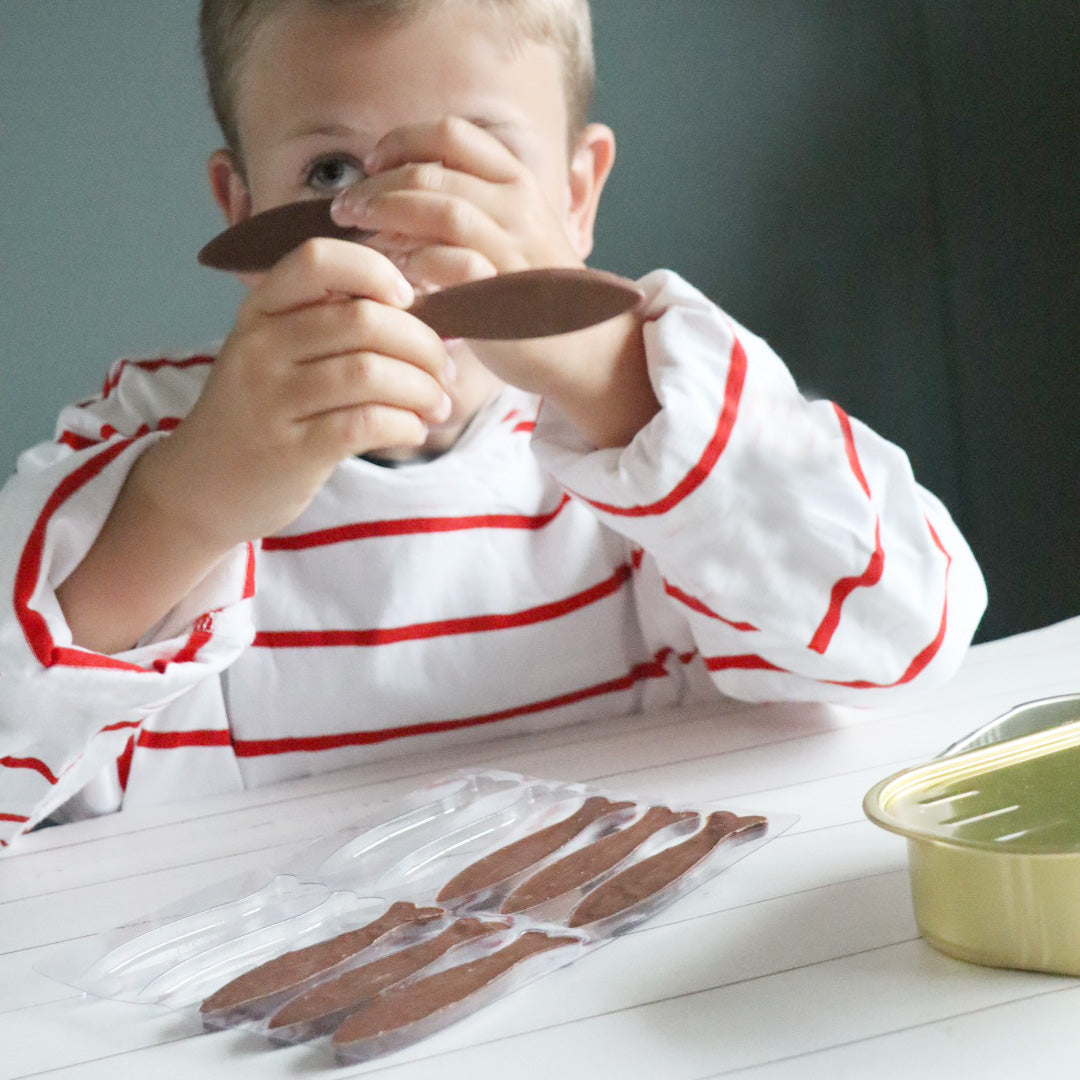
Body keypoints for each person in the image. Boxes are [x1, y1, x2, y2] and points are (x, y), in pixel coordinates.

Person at [0, 0, 986, 850]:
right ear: (241, 208)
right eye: (332, 171)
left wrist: (617, 385)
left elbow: (909, 637)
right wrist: (187, 507)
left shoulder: (664, 434)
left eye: (474, 171)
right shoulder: (148, 443)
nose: (406, 227)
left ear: (573, 194)